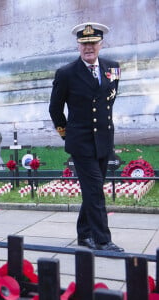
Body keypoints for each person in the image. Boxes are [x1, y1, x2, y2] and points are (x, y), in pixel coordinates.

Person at [49, 22, 124, 252]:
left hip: (103, 140)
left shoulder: (113, 68)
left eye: (92, 43)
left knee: (93, 189)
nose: (88, 47)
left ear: (101, 44)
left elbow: (108, 102)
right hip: (80, 143)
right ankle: (103, 240)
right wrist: (66, 134)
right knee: (95, 192)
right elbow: (55, 109)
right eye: (84, 43)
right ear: (78, 46)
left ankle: (84, 235)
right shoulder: (66, 73)